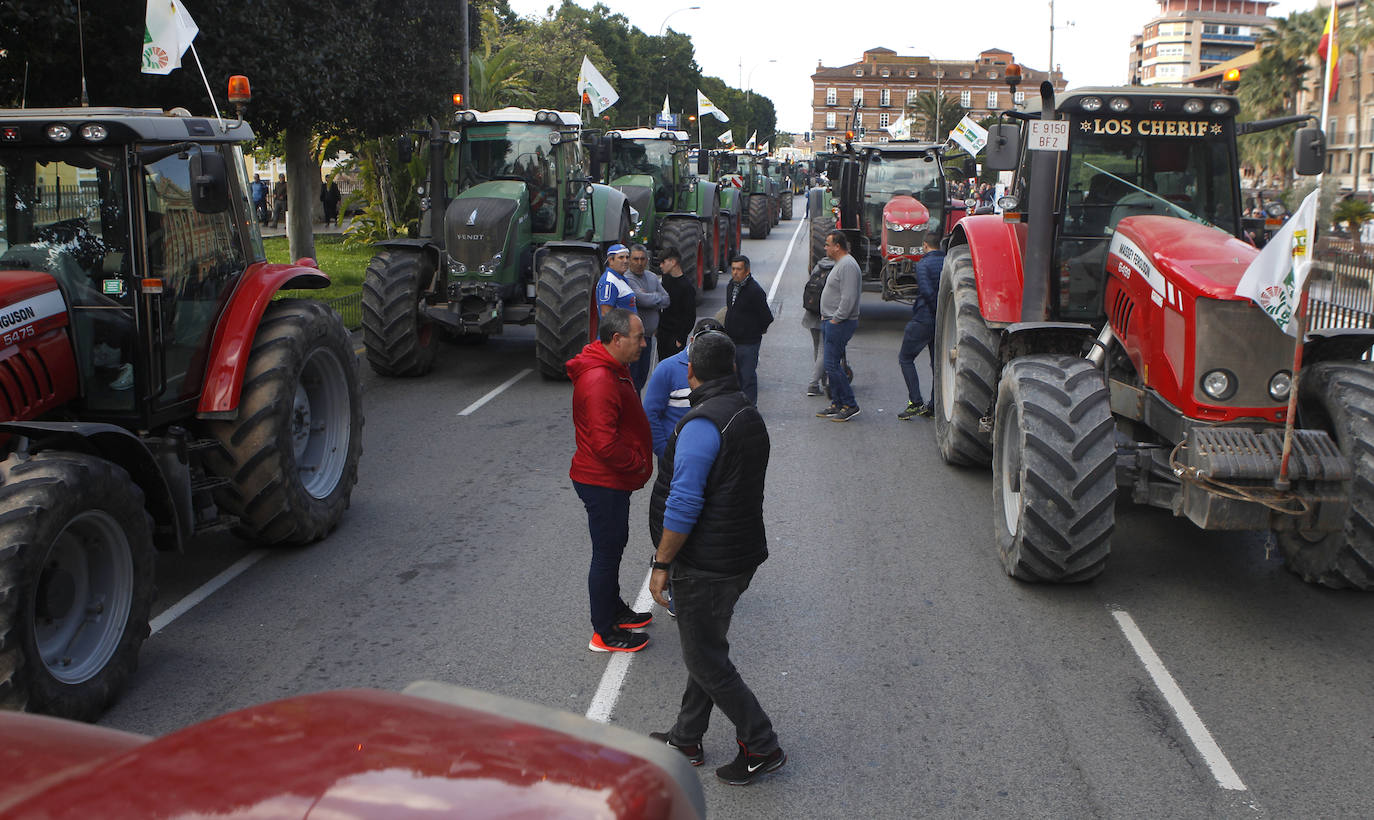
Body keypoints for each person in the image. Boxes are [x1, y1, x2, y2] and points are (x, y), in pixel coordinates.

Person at [646, 329, 784, 786]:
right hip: (739, 556)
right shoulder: (746, 411)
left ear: (690, 373)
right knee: (705, 648)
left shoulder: (702, 424)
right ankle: (687, 737)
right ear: (732, 367)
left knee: (706, 660)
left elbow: (683, 505)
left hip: (705, 564)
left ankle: (761, 744)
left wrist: (662, 564)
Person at [566, 308, 654, 653]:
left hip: (609, 479)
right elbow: (604, 442)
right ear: (616, 340)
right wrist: (635, 462)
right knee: (606, 554)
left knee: (613, 548)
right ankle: (604, 632)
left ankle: (614, 610)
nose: (644, 344)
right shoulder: (600, 379)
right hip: (603, 481)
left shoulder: (612, 368)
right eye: (639, 338)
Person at [644, 317, 725, 458]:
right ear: (692, 341)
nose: (710, 349)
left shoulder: (726, 368)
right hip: (676, 456)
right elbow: (650, 414)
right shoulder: (666, 369)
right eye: (705, 343)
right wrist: (664, 452)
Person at [897, 231, 944, 420]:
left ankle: (915, 402)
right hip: (940, 322)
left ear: (925, 246)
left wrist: (934, 312)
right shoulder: (948, 261)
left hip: (924, 318)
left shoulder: (923, 264)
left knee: (905, 358)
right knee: (936, 364)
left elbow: (926, 290)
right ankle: (933, 405)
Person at [816, 231, 862, 421]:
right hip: (830, 320)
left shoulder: (848, 265)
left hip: (840, 323)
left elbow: (848, 297)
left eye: (828, 244)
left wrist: (836, 319)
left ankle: (850, 404)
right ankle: (837, 402)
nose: (825, 248)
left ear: (837, 246)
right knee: (831, 365)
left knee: (831, 364)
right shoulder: (840, 264)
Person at [722, 255, 773, 404]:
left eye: (739, 269)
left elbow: (766, 317)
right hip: (731, 342)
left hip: (748, 344)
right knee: (733, 378)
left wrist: (754, 331)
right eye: (733, 269)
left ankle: (750, 408)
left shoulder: (754, 291)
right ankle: (737, 407)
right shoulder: (731, 286)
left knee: (747, 377)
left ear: (747, 271)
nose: (735, 272)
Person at [624, 244, 671, 392]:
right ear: (629, 260)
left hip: (649, 337)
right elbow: (641, 299)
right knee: (633, 379)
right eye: (636, 259)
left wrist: (650, 298)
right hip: (633, 339)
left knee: (643, 376)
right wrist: (654, 298)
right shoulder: (627, 279)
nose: (639, 263)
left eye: (642, 259)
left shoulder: (651, 277)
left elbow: (667, 299)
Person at [656, 249, 697, 357]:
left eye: (663, 262)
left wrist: (680, 338)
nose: (660, 266)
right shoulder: (666, 279)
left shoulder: (686, 287)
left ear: (673, 262)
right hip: (662, 334)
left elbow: (690, 316)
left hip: (675, 337)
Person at [801, 255, 833, 396]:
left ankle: (822, 380)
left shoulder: (819, 265)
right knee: (823, 351)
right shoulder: (838, 268)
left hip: (811, 313)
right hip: (825, 314)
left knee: (817, 349)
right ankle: (813, 384)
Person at [597, 244, 636, 317]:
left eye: (627, 257)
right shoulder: (609, 282)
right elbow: (606, 314)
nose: (625, 261)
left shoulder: (620, 279)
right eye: (621, 257)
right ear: (611, 260)